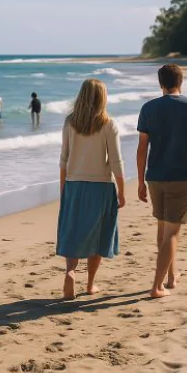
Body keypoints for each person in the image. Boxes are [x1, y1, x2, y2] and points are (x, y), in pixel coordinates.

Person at [137, 64, 187, 299]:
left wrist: (140, 180)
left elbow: (142, 148)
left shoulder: (148, 108)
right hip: (182, 177)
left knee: (163, 229)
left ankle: (171, 276)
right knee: (171, 233)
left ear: (161, 83)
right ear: (181, 81)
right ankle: (157, 286)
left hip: (155, 177)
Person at [57, 79, 125, 300]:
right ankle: (90, 284)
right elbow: (116, 162)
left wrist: (63, 189)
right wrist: (122, 191)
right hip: (101, 187)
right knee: (98, 235)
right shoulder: (108, 124)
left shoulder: (70, 122)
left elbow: (63, 160)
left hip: (74, 185)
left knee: (73, 232)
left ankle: (70, 272)